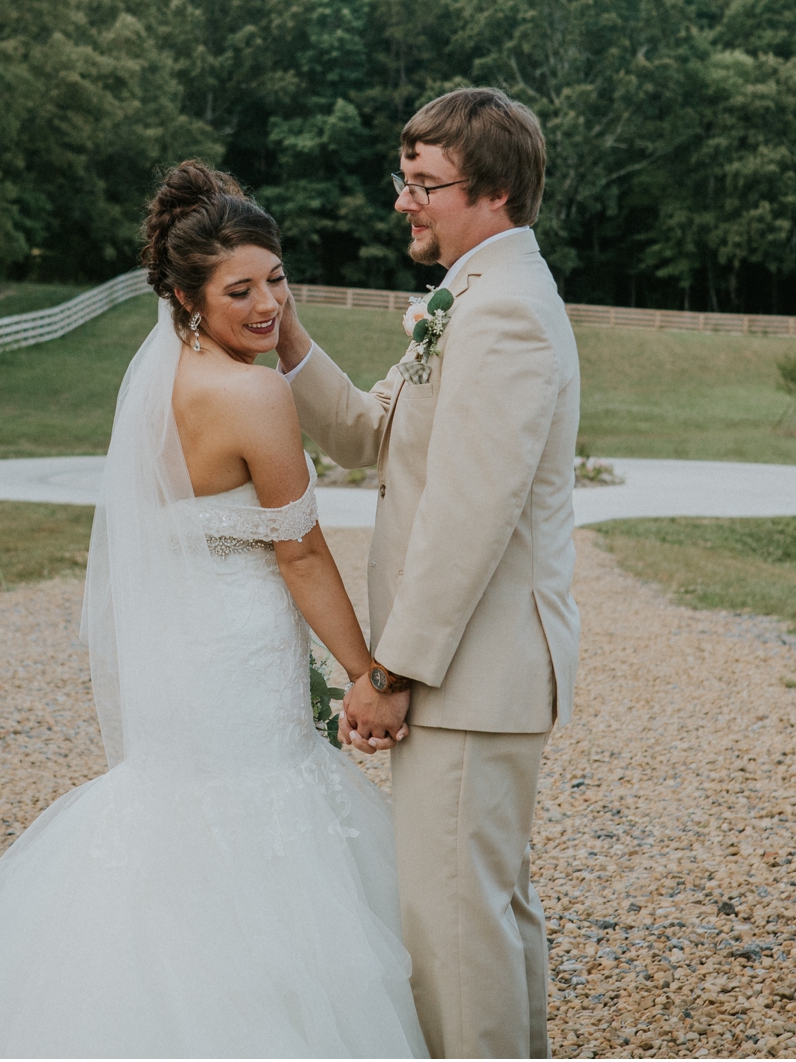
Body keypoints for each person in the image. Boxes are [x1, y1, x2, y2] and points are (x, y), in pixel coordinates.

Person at [0, 161, 426, 1058]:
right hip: (235, 657)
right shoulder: (256, 393)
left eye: (277, 279)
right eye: (242, 290)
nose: (268, 305)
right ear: (187, 296)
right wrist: (365, 674)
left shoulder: (158, 387)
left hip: (177, 657)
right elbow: (298, 550)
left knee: (175, 829)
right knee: (265, 845)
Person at [274, 87, 580, 1059]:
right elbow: (368, 433)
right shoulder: (474, 299)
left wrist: (388, 672)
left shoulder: (504, 316)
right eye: (401, 180)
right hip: (472, 676)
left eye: (423, 184)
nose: (402, 201)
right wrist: (283, 332)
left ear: (490, 192)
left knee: (453, 930)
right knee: (484, 910)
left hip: (466, 676)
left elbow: (467, 517)